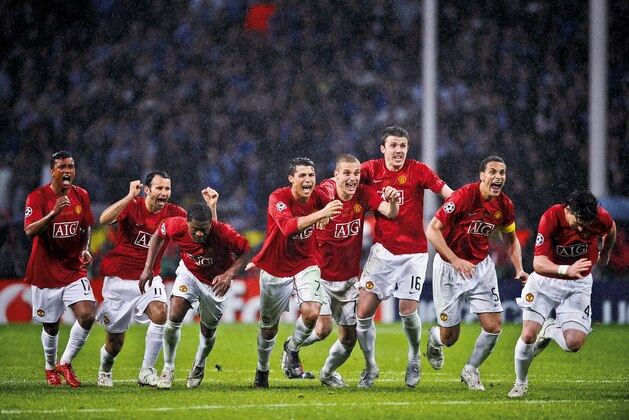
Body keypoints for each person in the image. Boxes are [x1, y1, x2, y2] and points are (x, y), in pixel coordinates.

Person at [95, 170, 219, 387]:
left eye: (167, 188)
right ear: (147, 190)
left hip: (150, 278)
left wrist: (211, 207)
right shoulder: (133, 206)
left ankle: (146, 370)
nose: (164, 193)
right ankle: (105, 370)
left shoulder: (174, 213)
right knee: (114, 343)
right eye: (159, 188)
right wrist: (128, 197)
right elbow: (104, 219)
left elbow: (208, 236)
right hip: (120, 280)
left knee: (161, 314)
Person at [356, 125, 453, 388]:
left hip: (414, 253)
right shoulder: (370, 170)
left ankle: (413, 357)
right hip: (382, 252)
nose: (398, 150)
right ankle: (370, 366)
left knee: (407, 311)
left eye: (403, 146)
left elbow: (447, 194)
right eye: (394, 145)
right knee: (363, 313)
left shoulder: (418, 170)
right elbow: (345, 178)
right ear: (383, 149)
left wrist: (463, 208)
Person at [425, 156, 528, 390]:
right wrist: (455, 259)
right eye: (492, 172)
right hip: (449, 268)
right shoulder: (463, 196)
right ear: (482, 176)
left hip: (480, 268)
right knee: (450, 338)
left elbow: (510, 240)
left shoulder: (504, 205)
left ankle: (471, 369)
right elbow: (432, 231)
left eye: (502, 173)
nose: (498, 177)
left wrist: (519, 268)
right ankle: (435, 338)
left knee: (494, 327)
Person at [296, 154, 400, 388]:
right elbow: (302, 208)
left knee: (350, 338)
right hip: (319, 276)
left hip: (349, 280)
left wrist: (393, 201)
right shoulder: (324, 193)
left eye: (356, 173)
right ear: (336, 176)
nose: (352, 178)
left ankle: (327, 372)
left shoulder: (362, 194)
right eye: (346, 173)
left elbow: (391, 212)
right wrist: (319, 215)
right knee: (323, 329)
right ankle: (292, 348)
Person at [508, 190, 616, 398]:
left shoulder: (599, 217)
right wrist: (567, 270)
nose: (583, 228)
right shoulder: (551, 218)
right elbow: (538, 264)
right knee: (529, 334)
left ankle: (549, 329)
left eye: (587, 223)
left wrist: (606, 253)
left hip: (578, 284)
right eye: (579, 222)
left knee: (573, 344)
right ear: (568, 210)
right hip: (546, 281)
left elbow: (610, 228)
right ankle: (520, 383)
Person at [250, 157, 343, 388]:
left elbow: (332, 183)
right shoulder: (278, 198)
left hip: (306, 262)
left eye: (311, 175)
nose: (308, 179)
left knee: (312, 313)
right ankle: (262, 370)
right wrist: (321, 214)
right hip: (276, 266)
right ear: (291, 178)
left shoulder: (320, 194)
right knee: (269, 328)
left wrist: (328, 204)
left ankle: (291, 348)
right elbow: (288, 227)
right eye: (302, 175)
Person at [139, 202, 252, 389]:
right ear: (187, 223)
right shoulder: (176, 225)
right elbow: (159, 234)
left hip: (216, 283)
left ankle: (199, 363)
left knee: (207, 333)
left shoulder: (224, 232)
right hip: (189, 274)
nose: (200, 234)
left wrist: (229, 275)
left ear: (211, 225)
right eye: (195, 229)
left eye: (204, 229)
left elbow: (247, 251)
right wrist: (148, 267)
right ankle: (168, 368)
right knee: (173, 316)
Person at [23, 151, 96, 387]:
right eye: (62, 166)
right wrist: (53, 212)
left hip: (74, 269)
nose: (67, 171)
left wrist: (85, 249)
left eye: (71, 166)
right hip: (45, 271)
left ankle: (65, 363)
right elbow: (29, 231)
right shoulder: (37, 197)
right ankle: (50, 367)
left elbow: (86, 227)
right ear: (52, 171)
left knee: (87, 315)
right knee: (51, 326)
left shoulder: (81, 195)